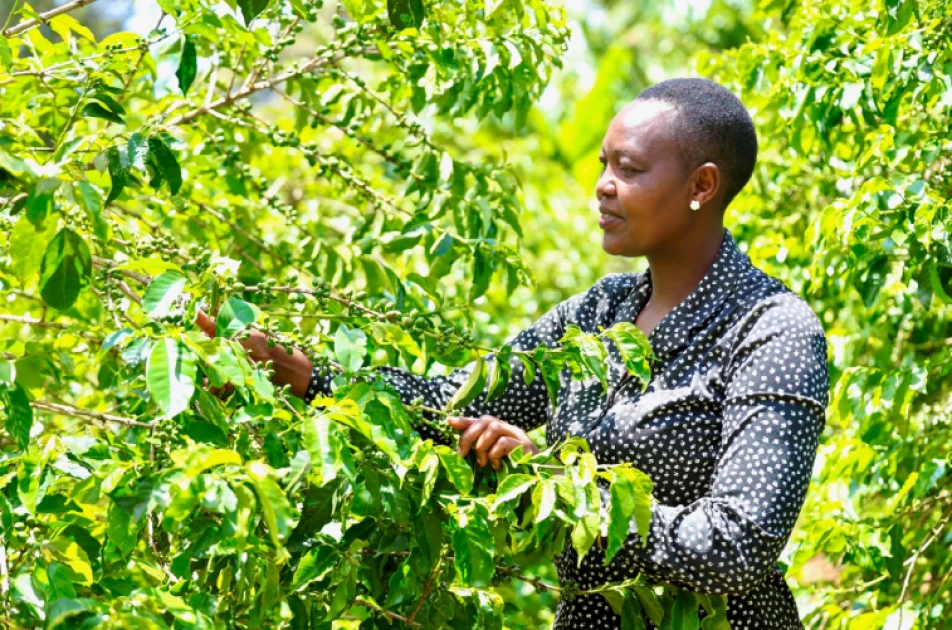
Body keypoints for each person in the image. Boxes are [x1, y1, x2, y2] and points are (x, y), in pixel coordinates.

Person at [197, 78, 829, 629]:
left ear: (703, 185)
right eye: (604, 165)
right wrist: (307, 377)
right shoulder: (598, 313)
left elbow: (738, 545)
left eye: (630, 170)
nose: (605, 188)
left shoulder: (772, 330)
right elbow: (452, 405)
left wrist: (555, 484)